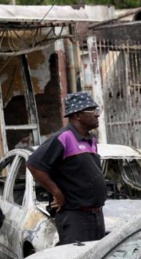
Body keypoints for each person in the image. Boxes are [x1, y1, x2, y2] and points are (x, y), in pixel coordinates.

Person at [27, 92, 107, 245]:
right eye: (92, 110)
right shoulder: (63, 137)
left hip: (96, 215)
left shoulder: (91, 140)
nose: (97, 115)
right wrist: (57, 193)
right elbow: (34, 163)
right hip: (75, 218)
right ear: (77, 115)